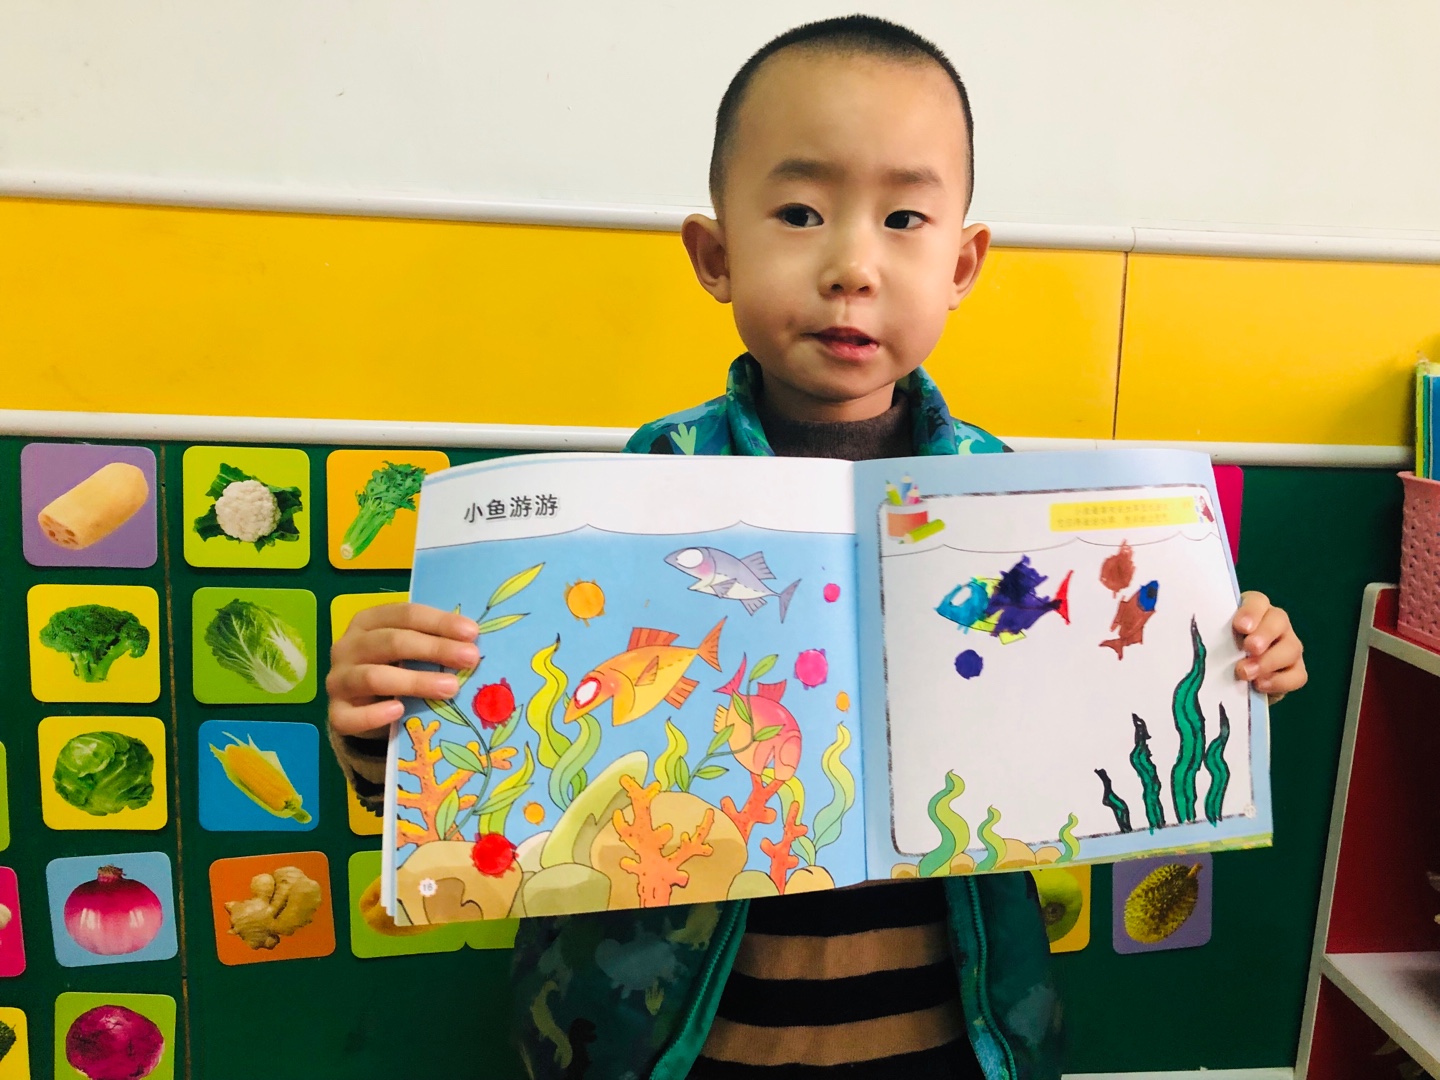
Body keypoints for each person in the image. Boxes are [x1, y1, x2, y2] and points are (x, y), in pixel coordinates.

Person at [327, 15, 1308, 1079]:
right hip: (674, 1045)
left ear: (962, 263)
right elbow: (524, 768)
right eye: (800, 212)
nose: (852, 265)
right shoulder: (632, 493)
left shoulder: (1010, 499)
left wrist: (1236, 659)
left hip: (952, 1038)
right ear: (715, 256)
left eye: (904, 218)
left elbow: (1091, 717)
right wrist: (388, 734)